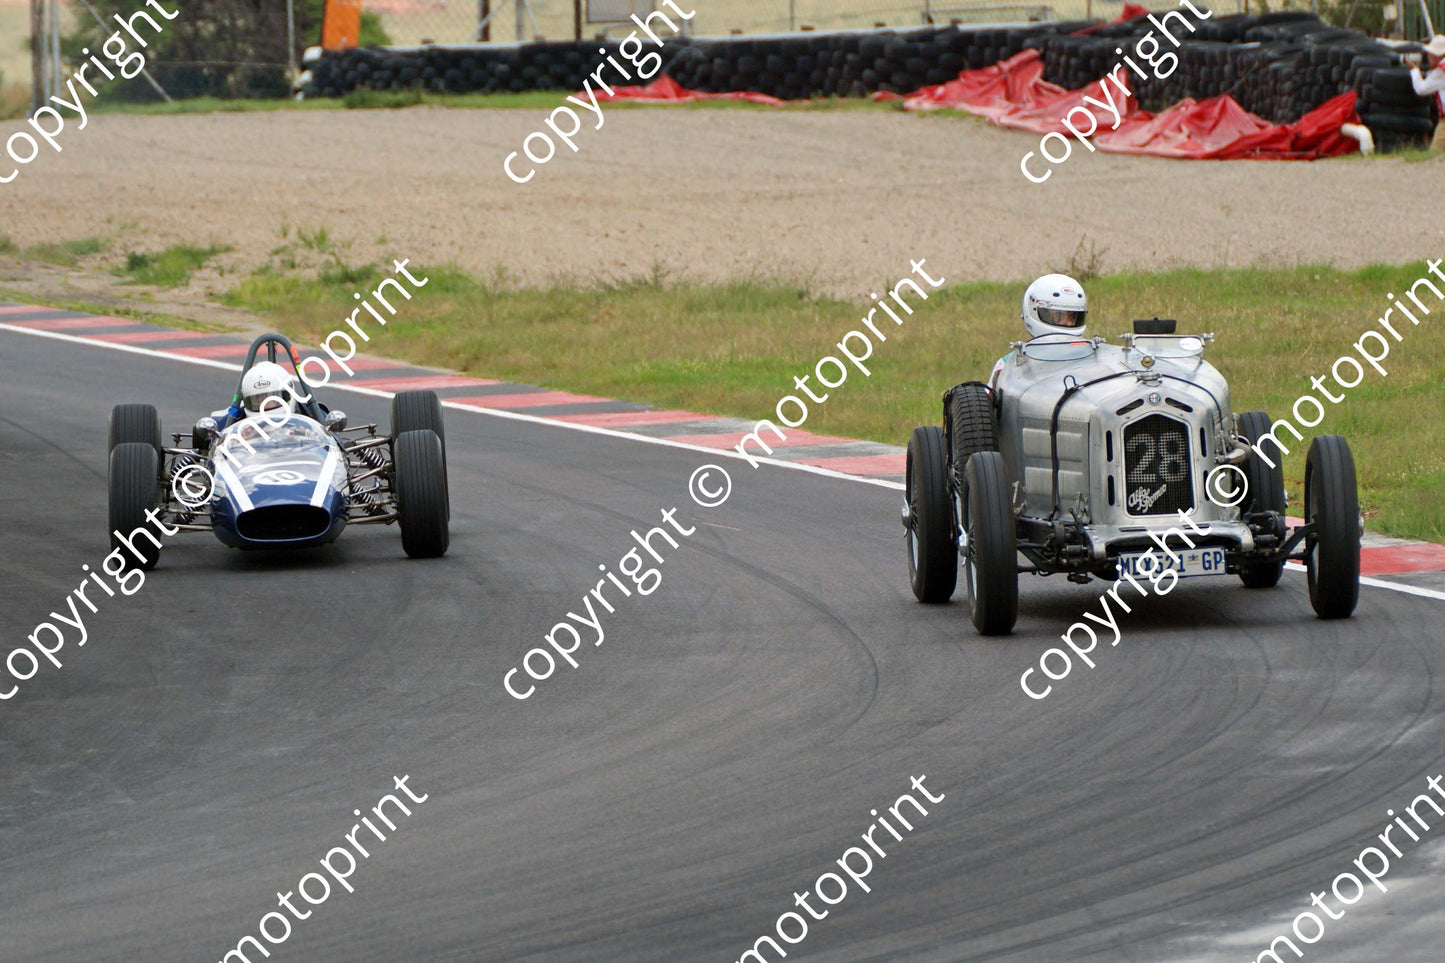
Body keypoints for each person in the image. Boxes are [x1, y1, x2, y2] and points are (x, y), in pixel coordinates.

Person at [989, 273, 1089, 388]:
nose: (1068, 323)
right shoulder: (1009, 364)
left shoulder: (1094, 357)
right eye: (1059, 316)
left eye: (1073, 317)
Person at [1408, 35, 1445, 152]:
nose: (1428, 57)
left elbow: (1421, 89)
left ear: (1436, 55)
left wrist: (1414, 70)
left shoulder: (1441, 71)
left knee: (1435, 153)